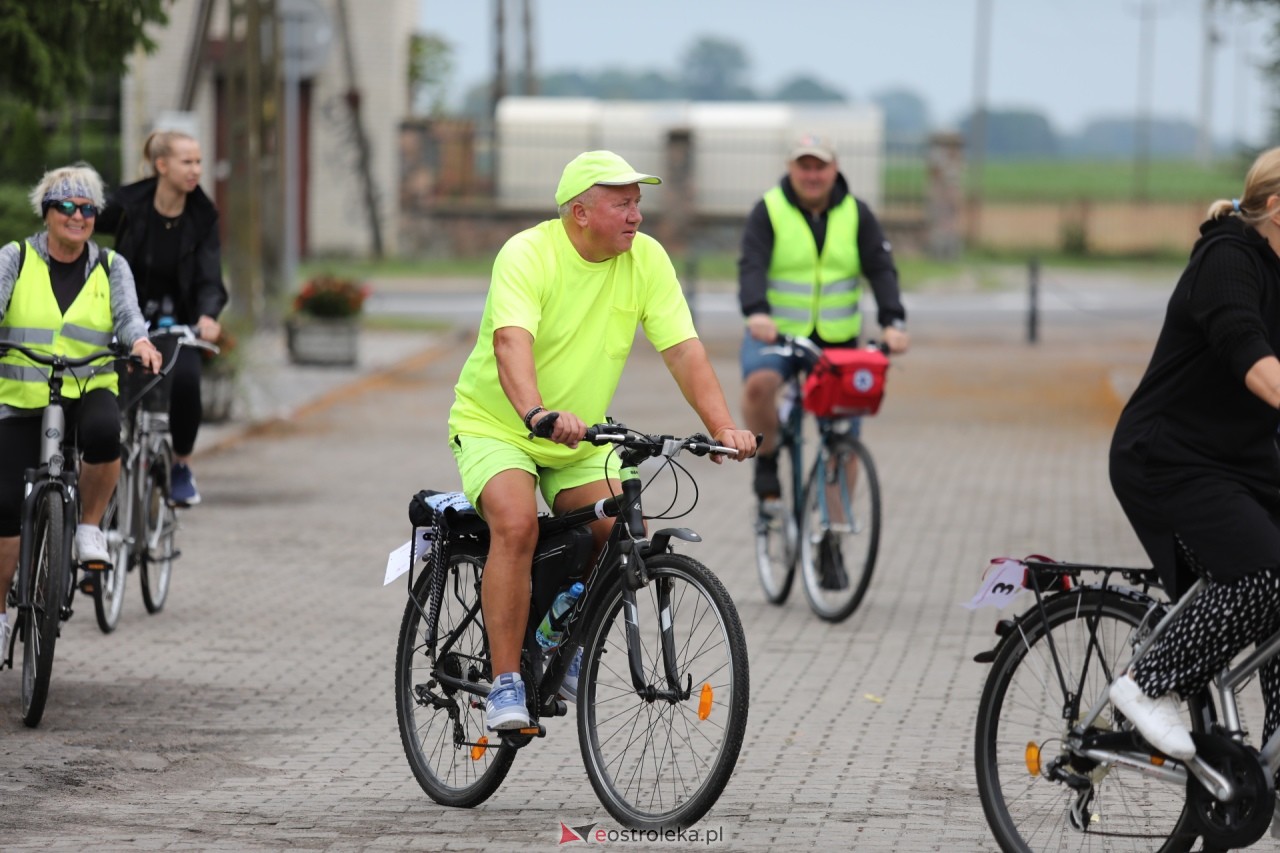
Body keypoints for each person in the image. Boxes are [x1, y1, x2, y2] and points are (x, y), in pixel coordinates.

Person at [447, 150, 758, 731]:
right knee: (515, 524)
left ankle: (554, 637)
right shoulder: (528, 253)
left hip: (581, 434)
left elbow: (684, 351)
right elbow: (510, 342)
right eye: (622, 203)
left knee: (623, 534)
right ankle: (507, 681)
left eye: (638, 202)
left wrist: (722, 428)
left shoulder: (646, 260)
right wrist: (535, 412)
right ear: (581, 212)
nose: (636, 215)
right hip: (500, 425)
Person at [1108, 146, 1280, 762]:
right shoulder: (1228, 259)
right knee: (1264, 572)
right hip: (1169, 457)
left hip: (1248, 464)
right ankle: (1147, 684)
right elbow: (1250, 356)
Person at [0, 163, 163, 656]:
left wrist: (139, 341)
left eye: (88, 209)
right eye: (67, 207)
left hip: (88, 384)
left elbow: (129, 315)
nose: (78, 216)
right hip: (23, 396)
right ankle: (0, 616)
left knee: (106, 430)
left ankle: (89, 528)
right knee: (5, 507)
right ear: (46, 211)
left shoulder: (111, 266)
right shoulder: (15, 257)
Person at [738, 133, 910, 504]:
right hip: (777, 338)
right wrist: (756, 312)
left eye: (820, 166)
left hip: (838, 341)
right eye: (804, 166)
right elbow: (751, 265)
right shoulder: (768, 210)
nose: (812, 175)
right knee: (758, 387)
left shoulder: (857, 213)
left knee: (844, 437)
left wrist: (893, 322)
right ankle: (765, 460)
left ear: (835, 169)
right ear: (790, 168)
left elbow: (881, 270)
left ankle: (831, 538)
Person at [96, 129, 228, 506]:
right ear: (162, 165)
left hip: (177, 323)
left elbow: (209, 275)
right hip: (123, 316)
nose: (196, 170)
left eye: (199, 161)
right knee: (103, 389)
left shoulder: (202, 216)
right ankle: (101, 470)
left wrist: (208, 315)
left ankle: (182, 465)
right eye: (187, 161)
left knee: (186, 381)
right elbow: (81, 222)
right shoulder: (128, 205)